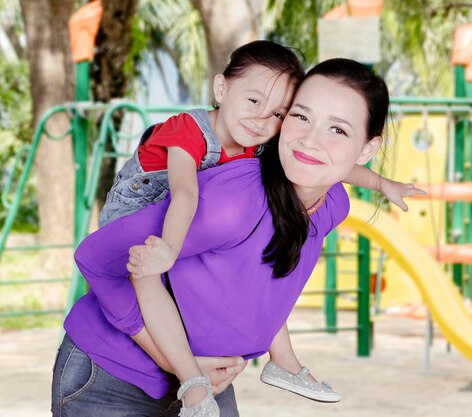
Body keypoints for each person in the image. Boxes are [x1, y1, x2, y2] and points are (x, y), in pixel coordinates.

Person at [52, 57, 395, 417]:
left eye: (337, 129)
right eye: (302, 117)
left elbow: (259, 286)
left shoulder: (331, 204)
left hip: (207, 385)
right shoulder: (229, 201)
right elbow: (96, 259)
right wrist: (178, 366)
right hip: (113, 378)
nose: (310, 139)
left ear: (367, 149)